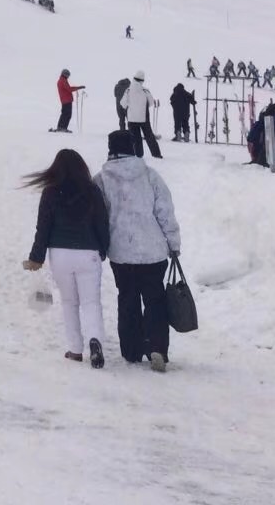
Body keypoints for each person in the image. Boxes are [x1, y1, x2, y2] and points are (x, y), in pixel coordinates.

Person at [94, 130, 181, 371]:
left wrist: (99, 245)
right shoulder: (150, 176)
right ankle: (157, 349)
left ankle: (131, 350)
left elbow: (97, 216)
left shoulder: (101, 180)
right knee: (155, 300)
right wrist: (173, 243)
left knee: (127, 299)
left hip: (122, 254)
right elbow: (165, 212)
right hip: (153, 252)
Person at [21, 149, 110, 368]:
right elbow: (102, 223)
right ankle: (95, 340)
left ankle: (75, 349)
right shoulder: (92, 191)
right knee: (91, 302)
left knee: (70, 303)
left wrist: (36, 257)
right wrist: (103, 249)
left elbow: (43, 228)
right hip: (88, 253)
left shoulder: (51, 192)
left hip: (60, 254)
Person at [124, 71, 162, 158]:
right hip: (144, 118)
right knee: (149, 136)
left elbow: (123, 103)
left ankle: (138, 155)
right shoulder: (145, 90)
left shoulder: (128, 90)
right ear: (142, 80)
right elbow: (151, 102)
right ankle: (156, 154)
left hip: (132, 119)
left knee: (136, 138)